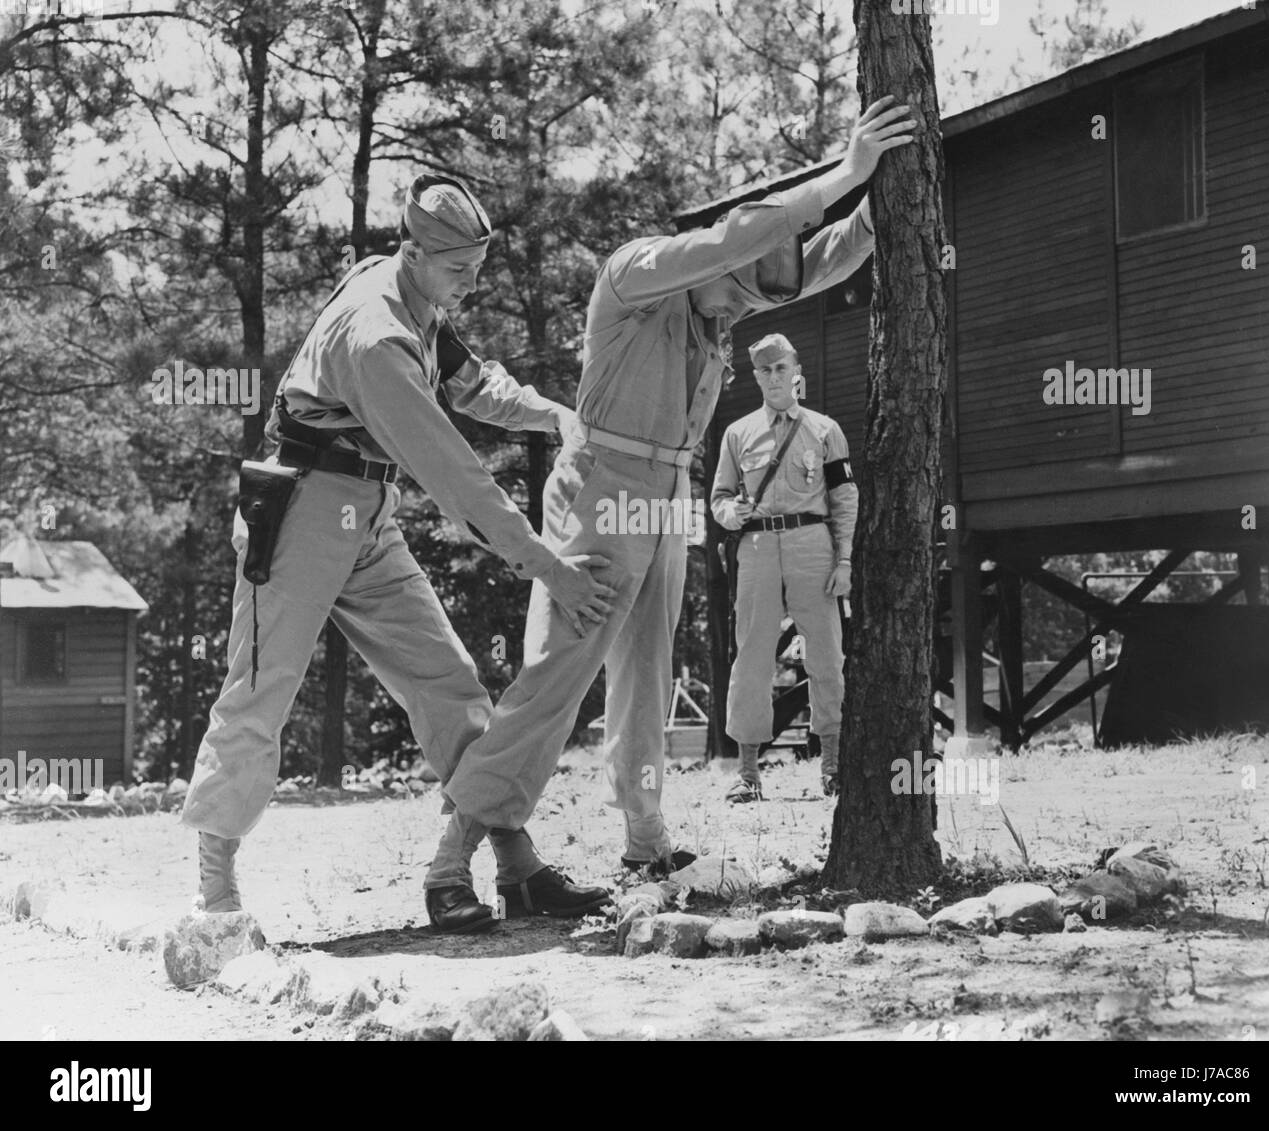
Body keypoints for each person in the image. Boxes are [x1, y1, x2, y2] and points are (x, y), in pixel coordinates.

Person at [423, 98, 914, 897]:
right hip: (602, 485)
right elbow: (731, 243)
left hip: (668, 494)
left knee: (649, 673)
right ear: (716, 263)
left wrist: (882, 200)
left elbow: (807, 262)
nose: (744, 308)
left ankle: (645, 842)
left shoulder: (720, 295)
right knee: (557, 674)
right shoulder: (640, 273)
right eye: (739, 291)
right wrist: (846, 171)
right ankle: (452, 857)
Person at [181, 173, 616, 935]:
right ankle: (214, 893)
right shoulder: (375, 335)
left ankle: (515, 865)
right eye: (458, 270)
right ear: (412, 251)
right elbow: (459, 479)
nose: (471, 285)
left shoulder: (419, 295)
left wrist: (554, 415)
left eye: (479, 268)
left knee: (450, 682)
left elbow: (472, 383)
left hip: (366, 512)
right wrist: (551, 570)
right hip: (303, 512)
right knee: (261, 689)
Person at [711, 334, 858, 801]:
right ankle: (748, 774)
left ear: (796, 370)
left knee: (827, 655)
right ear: (755, 376)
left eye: (781, 368)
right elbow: (718, 497)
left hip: (812, 544)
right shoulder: (737, 434)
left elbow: (844, 498)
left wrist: (846, 560)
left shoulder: (824, 430)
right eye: (764, 370)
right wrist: (728, 513)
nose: (774, 378)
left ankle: (832, 766)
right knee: (751, 656)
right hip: (755, 548)